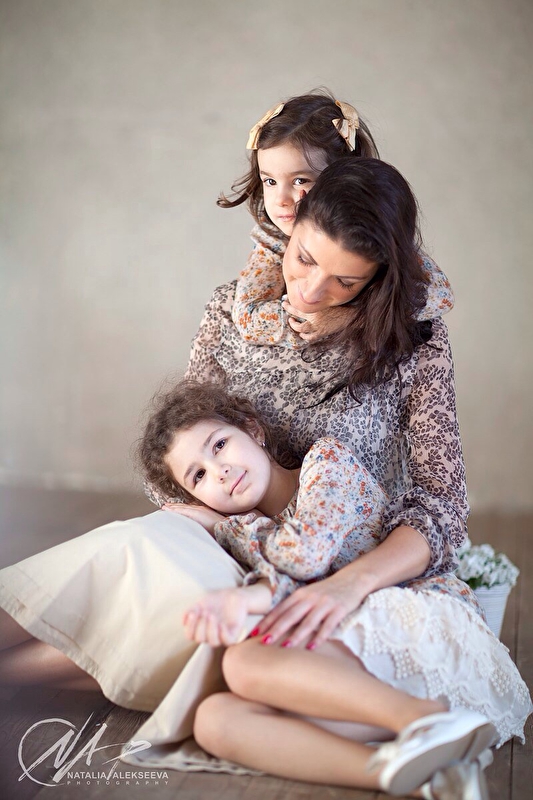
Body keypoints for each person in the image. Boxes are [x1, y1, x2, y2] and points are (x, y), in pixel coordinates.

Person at [0, 135, 530, 794]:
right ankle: (412, 769)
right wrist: (212, 517)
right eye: (303, 260)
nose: (310, 290)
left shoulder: (413, 342)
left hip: (343, 568)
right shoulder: (231, 311)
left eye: (345, 282)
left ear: (377, 277)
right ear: (292, 223)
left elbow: (441, 507)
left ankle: (424, 728)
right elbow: (181, 450)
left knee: (204, 638)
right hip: (239, 546)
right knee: (137, 555)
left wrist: (344, 583)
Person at [219, 91, 454, 348]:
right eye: (270, 181)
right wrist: (314, 321)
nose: (281, 199)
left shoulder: (370, 232)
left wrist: (349, 317)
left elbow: (441, 295)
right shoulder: (271, 240)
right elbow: (248, 318)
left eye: (300, 180)